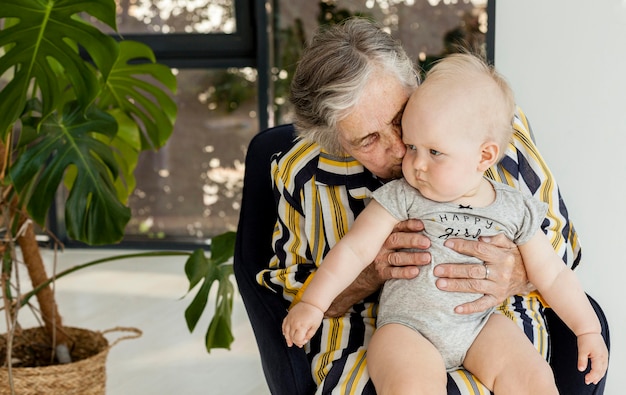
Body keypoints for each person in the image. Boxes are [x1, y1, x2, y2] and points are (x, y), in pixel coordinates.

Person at [256, 18, 597, 394]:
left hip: (488, 321)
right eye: (368, 140)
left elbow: (562, 254)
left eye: (401, 119)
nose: (404, 152)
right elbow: (290, 289)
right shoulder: (305, 172)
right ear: (336, 142)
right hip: (394, 331)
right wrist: (368, 274)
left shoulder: (488, 126)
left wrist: (520, 270)